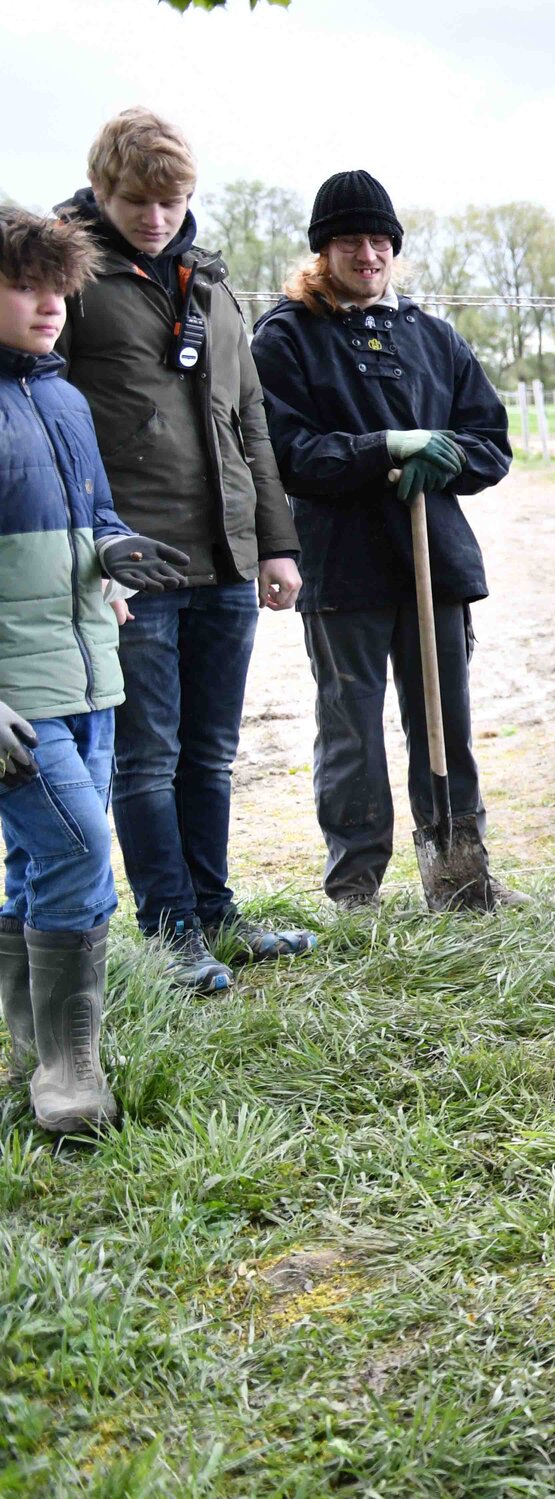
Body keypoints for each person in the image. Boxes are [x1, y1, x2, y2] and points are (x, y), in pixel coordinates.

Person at [55, 108, 311, 992]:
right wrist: (94, 546)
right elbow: (49, 422)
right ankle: (170, 936)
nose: (157, 218)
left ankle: (215, 914)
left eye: (173, 201)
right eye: (137, 201)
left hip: (227, 563)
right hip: (137, 568)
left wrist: (275, 544)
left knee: (210, 752)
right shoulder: (68, 281)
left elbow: (253, 426)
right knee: (146, 757)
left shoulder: (212, 284)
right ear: (100, 190)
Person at [249, 170, 516, 912]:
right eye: (349, 241)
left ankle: (460, 875)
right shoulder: (285, 337)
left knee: (445, 724)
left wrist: (448, 457)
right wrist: (386, 449)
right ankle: (355, 890)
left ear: (393, 248)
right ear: (323, 250)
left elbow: (491, 439)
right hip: (344, 566)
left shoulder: (431, 336)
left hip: (436, 562)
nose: (367, 254)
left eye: (378, 241)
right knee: (351, 731)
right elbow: (287, 451)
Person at [0, 207, 190, 1133]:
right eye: (23, 284)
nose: (48, 305)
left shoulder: (65, 400)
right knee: (79, 850)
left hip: (92, 677)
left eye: (57, 287)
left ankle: (28, 1044)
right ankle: (68, 1072)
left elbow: (95, 513)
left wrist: (114, 549)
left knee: (39, 861)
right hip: (16, 693)